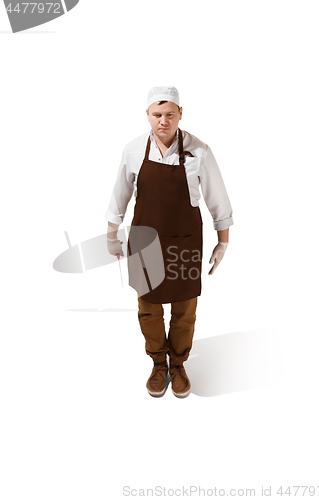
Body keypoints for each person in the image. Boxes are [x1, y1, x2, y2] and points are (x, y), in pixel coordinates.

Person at [106, 86, 233, 398]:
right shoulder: (134, 150)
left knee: (184, 308)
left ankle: (178, 363)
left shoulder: (199, 151)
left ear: (180, 114)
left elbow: (218, 197)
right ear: (147, 115)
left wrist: (223, 242)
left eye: (170, 114)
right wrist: (112, 234)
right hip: (144, 243)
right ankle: (158, 362)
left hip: (185, 243)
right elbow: (119, 195)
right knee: (148, 308)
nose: (163, 121)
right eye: (157, 114)